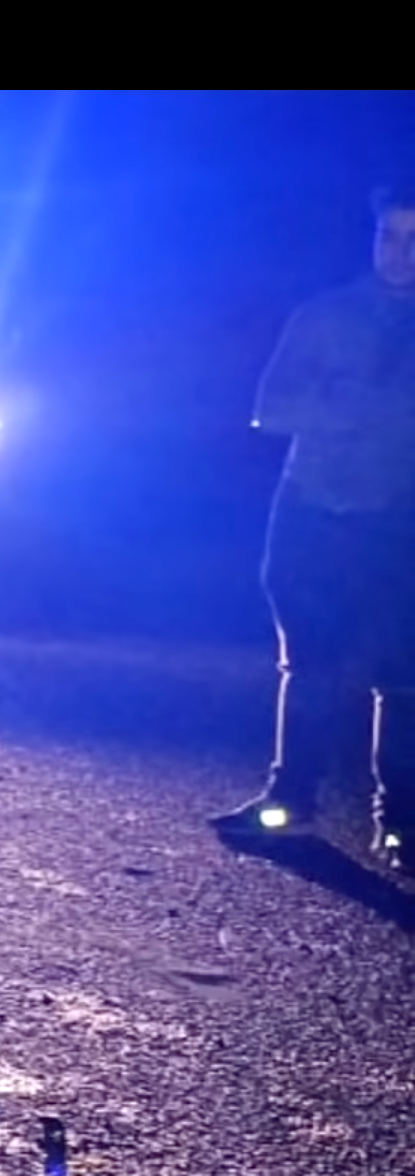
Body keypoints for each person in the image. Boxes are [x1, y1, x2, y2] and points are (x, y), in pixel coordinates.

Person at [213, 178, 415, 872]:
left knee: (405, 677)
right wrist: (348, 407)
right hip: (313, 508)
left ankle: (403, 824)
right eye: (388, 236)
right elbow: (269, 408)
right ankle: (291, 802)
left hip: (400, 519)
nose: (399, 254)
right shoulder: (327, 316)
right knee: (308, 664)